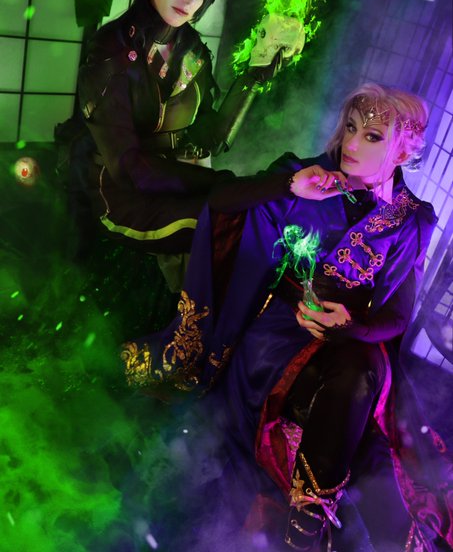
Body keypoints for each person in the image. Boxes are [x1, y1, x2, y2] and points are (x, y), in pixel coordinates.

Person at [122, 83, 452, 551]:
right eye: (351, 127)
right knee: (357, 416)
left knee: (359, 369)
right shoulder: (308, 176)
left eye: (372, 136)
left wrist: (352, 326)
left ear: (402, 151)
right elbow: (223, 203)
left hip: (352, 341)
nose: (352, 143)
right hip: (280, 335)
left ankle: (309, 525)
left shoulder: (411, 218)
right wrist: (287, 187)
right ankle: (364, 531)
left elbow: (397, 314)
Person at [73, 0, 305, 286]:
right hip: (122, 195)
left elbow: (206, 139)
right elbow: (128, 169)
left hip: (177, 182)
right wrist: (224, 185)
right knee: (224, 223)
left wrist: (254, 75)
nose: (192, 0)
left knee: (255, 217)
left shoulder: (193, 50)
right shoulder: (109, 52)